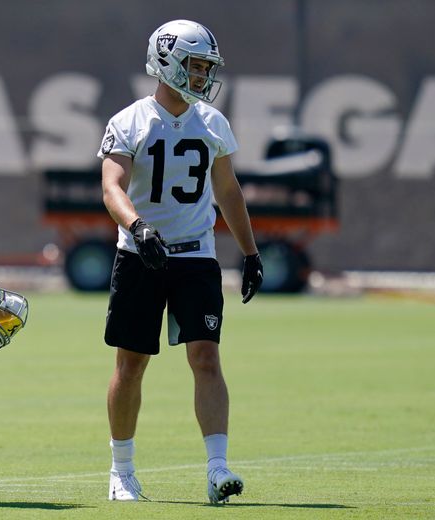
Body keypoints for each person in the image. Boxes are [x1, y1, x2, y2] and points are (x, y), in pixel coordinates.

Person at [98, 19, 263, 504]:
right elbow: (112, 187)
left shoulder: (212, 122)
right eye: (195, 65)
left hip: (196, 256)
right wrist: (137, 227)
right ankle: (121, 471)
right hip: (140, 256)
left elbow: (227, 191)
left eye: (206, 67)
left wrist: (250, 252)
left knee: (206, 357)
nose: (201, 76)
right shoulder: (129, 120)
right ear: (167, 60)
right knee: (131, 363)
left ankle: (218, 470)